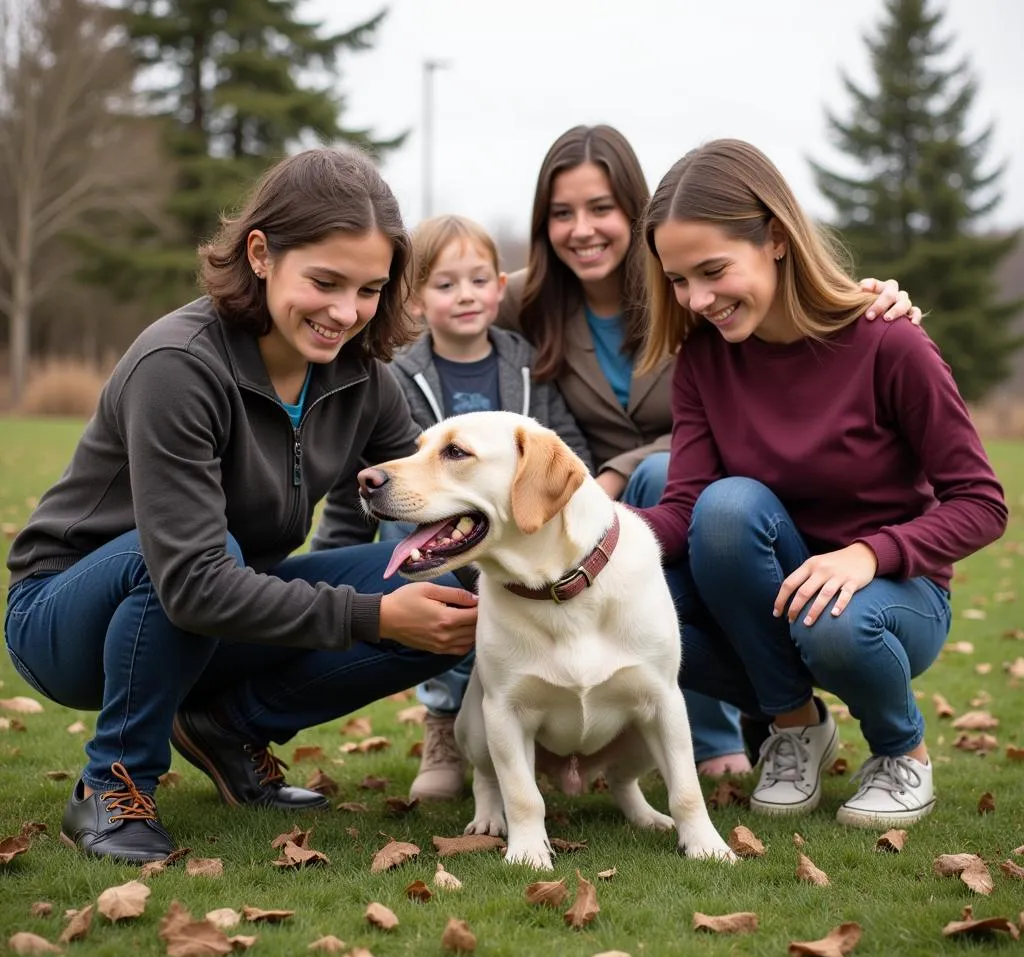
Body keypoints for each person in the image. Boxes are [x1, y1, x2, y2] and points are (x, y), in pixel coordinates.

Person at [314, 125, 919, 795]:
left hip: (693, 495)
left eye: (601, 208)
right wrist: (341, 323)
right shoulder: (528, 299)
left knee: (671, 493)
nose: (582, 229)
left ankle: (724, 730)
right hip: (589, 511)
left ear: (637, 212)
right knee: (500, 533)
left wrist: (861, 295)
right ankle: (466, 714)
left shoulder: (690, 295)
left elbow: (776, 317)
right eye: (561, 213)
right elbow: (451, 295)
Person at [3, 149, 478, 863]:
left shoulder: (363, 382)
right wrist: (371, 616)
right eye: (324, 281)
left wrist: (535, 558)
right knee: (207, 558)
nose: (345, 313)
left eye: (369, 289)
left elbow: (436, 499)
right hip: (68, 621)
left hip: (211, 614)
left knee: (436, 589)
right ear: (260, 254)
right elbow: (191, 579)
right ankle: (112, 784)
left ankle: (227, 726)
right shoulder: (179, 365)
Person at [636, 138, 1007, 827]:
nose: (698, 298)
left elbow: (982, 504)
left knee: (832, 621)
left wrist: (868, 555)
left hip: (893, 597)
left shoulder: (889, 342)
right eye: (680, 280)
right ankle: (795, 724)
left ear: (775, 238)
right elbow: (686, 508)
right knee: (668, 580)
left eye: (713, 270)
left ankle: (903, 753)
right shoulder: (703, 361)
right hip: (777, 588)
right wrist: (587, 544)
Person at [374, 213, 593, 801]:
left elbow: (564, 443)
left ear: (501, 288)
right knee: (447, 602)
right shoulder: (401, 376)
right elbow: (397, 467)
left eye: (478, 280)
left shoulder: (526, 364)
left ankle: (550, 719)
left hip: (518, 534)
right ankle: (444, 722)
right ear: (416, 301)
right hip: (444, 529)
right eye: (445, 285)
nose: (465, 295)